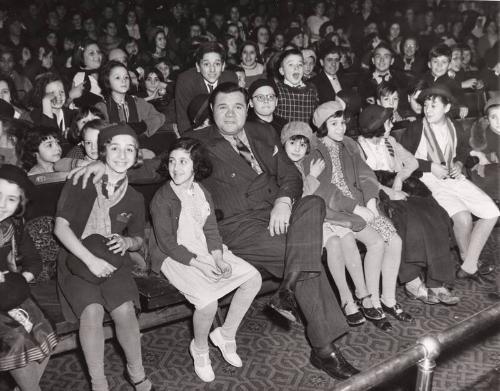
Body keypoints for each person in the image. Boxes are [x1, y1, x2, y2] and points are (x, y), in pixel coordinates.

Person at [149, 138, 262, 382]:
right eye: (172, 161)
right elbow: (167, 243)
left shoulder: (202, 191)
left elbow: (210, 229)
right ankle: (199, 349)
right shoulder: (162, 198)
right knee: (208, 303)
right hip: (174, 256)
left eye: (183, 162)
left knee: (253, 278)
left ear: (196, 165)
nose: (176, 168)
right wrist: (201, 264)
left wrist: (218, 258)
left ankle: (226, 334)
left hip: (203, 247)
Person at [54, 124, 154, 391]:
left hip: (111, 259)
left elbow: (138, 239)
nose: (122, 155)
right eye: (114, 148)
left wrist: (127, 241)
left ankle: (137, 374)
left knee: (124, 311)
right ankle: (99, 384)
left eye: (129, 149)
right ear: (103, 151)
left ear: (136, 156)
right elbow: (60, 228)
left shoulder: (133, 196)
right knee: (93, 311)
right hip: (76, 260)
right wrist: (90, 261)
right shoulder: (83, 180)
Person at [306, 100, 409, 331]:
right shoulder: (314, 149)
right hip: (335, 212)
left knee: (395, 241)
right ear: (323, 126)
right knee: (376, 244)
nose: (341, 128)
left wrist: (371, 201)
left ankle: (388, 299)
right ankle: (370, 300)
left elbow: (366, 174)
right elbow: (323, 190)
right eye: (334, 124)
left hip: (360, 207)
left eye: (342, 123)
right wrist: (355, 208)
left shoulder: (349, 144)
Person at [357, 105, 460, 305]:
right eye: (388, 121)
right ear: (377, 125)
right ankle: (412, 282)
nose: (392, 123)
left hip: (399, 187)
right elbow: (362, 179)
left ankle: (437, 282)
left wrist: (399, 178)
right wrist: (389, 191)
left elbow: (412, 162)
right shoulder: (358, 147)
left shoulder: (391, 141)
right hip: (376, 194)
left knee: (434, 214)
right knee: (409, 220)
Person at [280, 120, 379, 327]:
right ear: (284, 144)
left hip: (321, 215)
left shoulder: (308, 161)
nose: (297, 149)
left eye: (302, 144)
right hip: (302, 222)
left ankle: (363, 293)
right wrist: (312, 177)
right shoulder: (283, 166)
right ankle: (346, 300)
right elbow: (303, 197)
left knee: (348, 237)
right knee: (334, 242)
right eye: (292, 143)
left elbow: (325, 193)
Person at [399, 85, 499, 280]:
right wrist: (429, 166)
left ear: (446, 108)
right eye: (426, 105)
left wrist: (460, 163)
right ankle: (468, 262)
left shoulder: (454, 126)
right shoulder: (416, 127)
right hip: (427, 179)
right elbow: (401, 157)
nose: (427, 110)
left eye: (433, 106)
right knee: (463, 217)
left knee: (492, 212)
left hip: (452, 176)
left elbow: (462, 148)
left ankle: (469, 264)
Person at [0, 165, 57, 391]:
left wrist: (17, 281)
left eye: (11, 199)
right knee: (17, 341)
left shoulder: (13, 226)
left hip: (9, 296)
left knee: (44, 330)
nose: (2, 205)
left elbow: (34, 262)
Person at [175, 42, 238, 133]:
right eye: (206, 64)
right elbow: (183, 119)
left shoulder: (231, 78)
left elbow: (233, 114)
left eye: (217, 64)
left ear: (223, 66)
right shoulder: (185, 80)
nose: (212, 70)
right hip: (195, 127)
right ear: (198, 67)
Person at [95, 60, 165, 138]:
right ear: (107, 81)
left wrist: (143, 125)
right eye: (117, 77)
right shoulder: (101, 107)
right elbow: (99, 129)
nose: (124, 81)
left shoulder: (138, 102)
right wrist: (125, 127)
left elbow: (160, 117)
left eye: (126, 77)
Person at [274, 48, 319, 123]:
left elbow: (316, 116)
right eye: (291, 65)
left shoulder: (311, 89)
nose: (296, 68)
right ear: (282, 71)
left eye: (300, 64)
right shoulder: (277, 89)